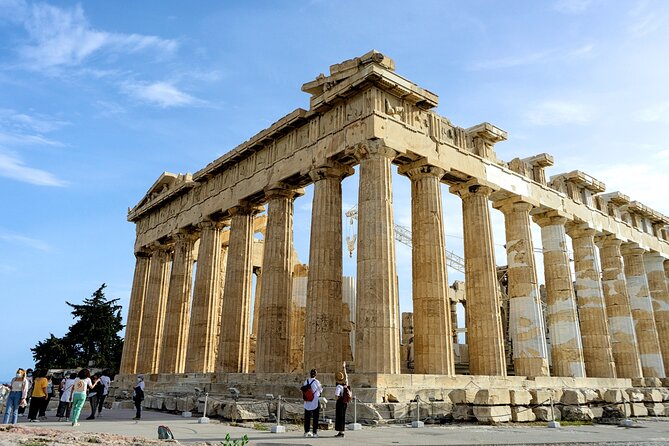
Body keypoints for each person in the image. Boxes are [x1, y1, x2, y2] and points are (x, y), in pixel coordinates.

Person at [303, 368, 323, 438]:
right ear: (316, 374)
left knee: (307, 417)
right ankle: (314, 433)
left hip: (307, 402)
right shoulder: (317, 382)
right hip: (314, 402)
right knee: (315, 418)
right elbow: (321, 390)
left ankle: (306, 432)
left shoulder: (306, 381)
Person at [334, 362, 350, 438]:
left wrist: (336, 399)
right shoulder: (346, 384)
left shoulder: (339, 387)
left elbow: (337, 396)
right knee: (343, 416)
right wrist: (344, 368)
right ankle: (342, 431)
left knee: (339, 417)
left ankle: (341, 432)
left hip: (340, 402)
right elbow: (346, 376)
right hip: (345, 402)